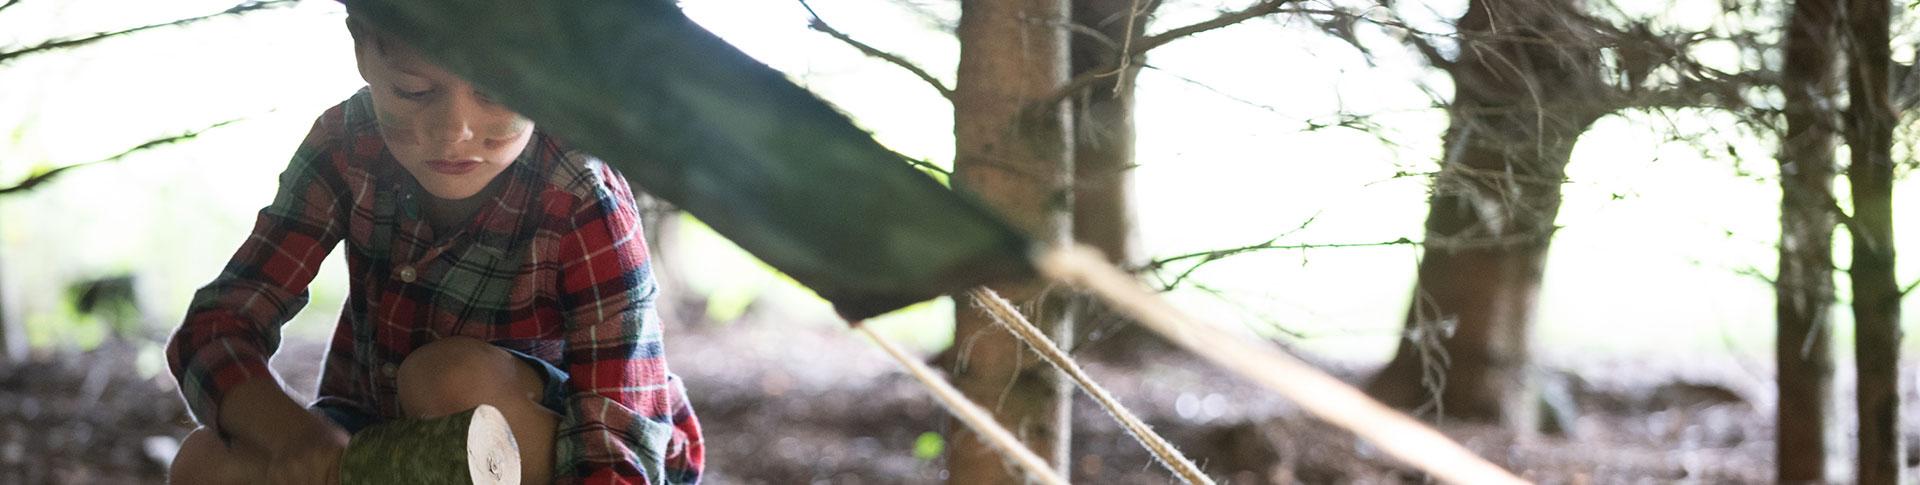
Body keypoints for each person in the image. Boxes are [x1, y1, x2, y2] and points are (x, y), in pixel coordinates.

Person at [164, 10, 703, 485]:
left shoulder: (580, 195)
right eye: (413, 91)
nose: (452, 132)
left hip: (578, 447)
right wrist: (294, 437)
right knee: (204, 464)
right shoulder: (345, 146)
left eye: (496, 91)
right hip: (381, 428)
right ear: (363, 50)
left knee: (448, 381)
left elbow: (621, 430)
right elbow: (217, 327)